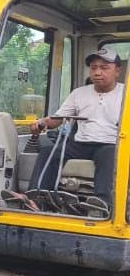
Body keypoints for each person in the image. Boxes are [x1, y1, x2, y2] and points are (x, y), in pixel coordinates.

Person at [28, 48, 124, 210]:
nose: (98, 72)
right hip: (80, 143)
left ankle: (102, 204)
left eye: (104, 68)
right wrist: (42, 122)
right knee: (48, 152)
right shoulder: (79, 93)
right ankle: (37, 199)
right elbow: (57, 119)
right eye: (93, 68)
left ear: (117, 71)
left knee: (109, 155)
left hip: (110, 143)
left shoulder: (126, 93)